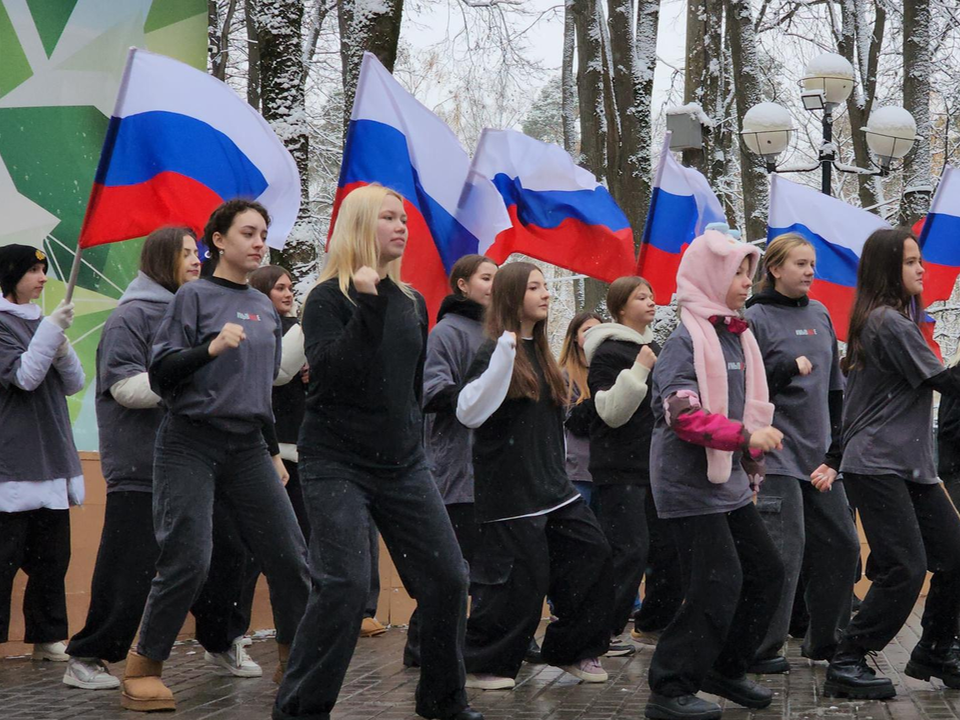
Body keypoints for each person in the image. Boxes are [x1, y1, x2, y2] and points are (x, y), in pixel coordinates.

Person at [274, 185, 479, 720]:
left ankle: (442, 702)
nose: (401, 227)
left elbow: (410, 388)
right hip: (336, 461)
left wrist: (415, 449)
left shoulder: (413, 302)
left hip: (404, 465)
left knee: (447, 579)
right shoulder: (325, 298)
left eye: (403, 218)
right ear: (361, 226)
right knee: (342, 587)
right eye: (388, 217)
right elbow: (330, 378)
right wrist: (366, 303)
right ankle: (299, 709)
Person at [120, 200, 310, 712]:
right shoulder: (193, 297)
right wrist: (209, 348)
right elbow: (161, 373)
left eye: (263, 234)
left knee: (292, 559)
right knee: (189, 557)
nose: (258, 241)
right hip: (190, 439)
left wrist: (271, 451)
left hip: (249, 444)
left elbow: (261, 391)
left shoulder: (265, 308)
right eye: (247, 232)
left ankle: (294, 667)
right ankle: (144, 665)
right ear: (219, 240)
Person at [63, 227, 264, 690]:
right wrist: (190, 375)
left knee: (229, 550)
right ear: (160, 259)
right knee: (130, 564)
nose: (198, 261)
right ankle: (89, 655)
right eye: (187, 253)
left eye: (199, 252)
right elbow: (125, 388)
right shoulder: (131, 316)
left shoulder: (193, 309)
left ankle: (220, 639)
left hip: (200, 460)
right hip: (142, 464)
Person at [644, 229, 784, 720]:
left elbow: (745, 408)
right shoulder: (685, 343)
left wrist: (749, 456)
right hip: (687, 485)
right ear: (711, 276)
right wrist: (746, 440)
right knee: (717, 580)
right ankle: (669, 686)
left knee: (767, 572)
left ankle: (725, 668)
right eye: (738, 273)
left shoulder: (734, 335)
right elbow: (682, 416)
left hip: (725, 483)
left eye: (750, 271)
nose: (749, 282)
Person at [458, 261, 614, 690]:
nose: (546, 293)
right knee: (520, 584)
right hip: (509, 493)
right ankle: (483, 662)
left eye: (546, 286)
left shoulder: (543, 354)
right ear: (512, 296)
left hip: (553, 488)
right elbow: (467, 410)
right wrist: (503, 357)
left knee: (594, 554)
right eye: (534, 287)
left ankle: (571, 648)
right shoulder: (495, 350)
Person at [823, 227, 960, 699]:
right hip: (878, 464)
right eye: (910, 261)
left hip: (909, 466)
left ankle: (937, 650)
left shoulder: (891, 321)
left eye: (920, 260)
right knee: (905, 568)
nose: (921, 268)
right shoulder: (887, 322)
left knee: (955, 557)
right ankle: (848, 660)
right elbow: (946, 381)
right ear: (887, 269)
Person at [744, 233, 860, 674]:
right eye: (800, 264)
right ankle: (763, 647)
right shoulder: (753, 319)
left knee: (842, 547)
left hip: (820, 460)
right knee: (785, 554)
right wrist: (785, 368)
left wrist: (836, 448)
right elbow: (746, 391)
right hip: (775, 458)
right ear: (774, 269)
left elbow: (835, 389)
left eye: (812, 264)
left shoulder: (821, 313)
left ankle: (825, 640)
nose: (811, 271)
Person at [403, 254, 498, 669]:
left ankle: (485, 635)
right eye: (486, 278)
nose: (494, 285)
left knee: (490, 566)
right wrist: (481, 390)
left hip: (495, 472)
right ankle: (423, 644)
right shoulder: (447, 332)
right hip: (457, 470)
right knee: (453, 566)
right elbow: (432, 393)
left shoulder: (501, 332)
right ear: (461, 284)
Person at [0, 245, 83, 663]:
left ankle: (47, 634)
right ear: (9, 276)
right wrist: (50, 334)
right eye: (33, 270)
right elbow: (25, 377)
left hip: (52, 459)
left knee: (52, 559)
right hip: (11, 464)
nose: (43, 277)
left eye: (44, 269)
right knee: (3, 560)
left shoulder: (44, 325)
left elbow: (74, 384)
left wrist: (63, 348)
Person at [582, 278, 660, 656]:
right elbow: (611, 413)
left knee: (667, 549)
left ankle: (653, 624)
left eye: (652, 296)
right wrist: (640, 371)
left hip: (656, 466)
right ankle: (601, 631)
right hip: (619, 468)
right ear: (619, 307)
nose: (651, 302)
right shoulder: (607, 352)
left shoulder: (654, 348)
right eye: (641, 297)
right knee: (630, 549)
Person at [558, 312, 603, 506]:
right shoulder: (565, 375)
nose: (593, 334)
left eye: (598, 329)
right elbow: (572, 421)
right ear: (575, 337)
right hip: (581, 471)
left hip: (611, 469)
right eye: (587, 330)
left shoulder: (614, 369)